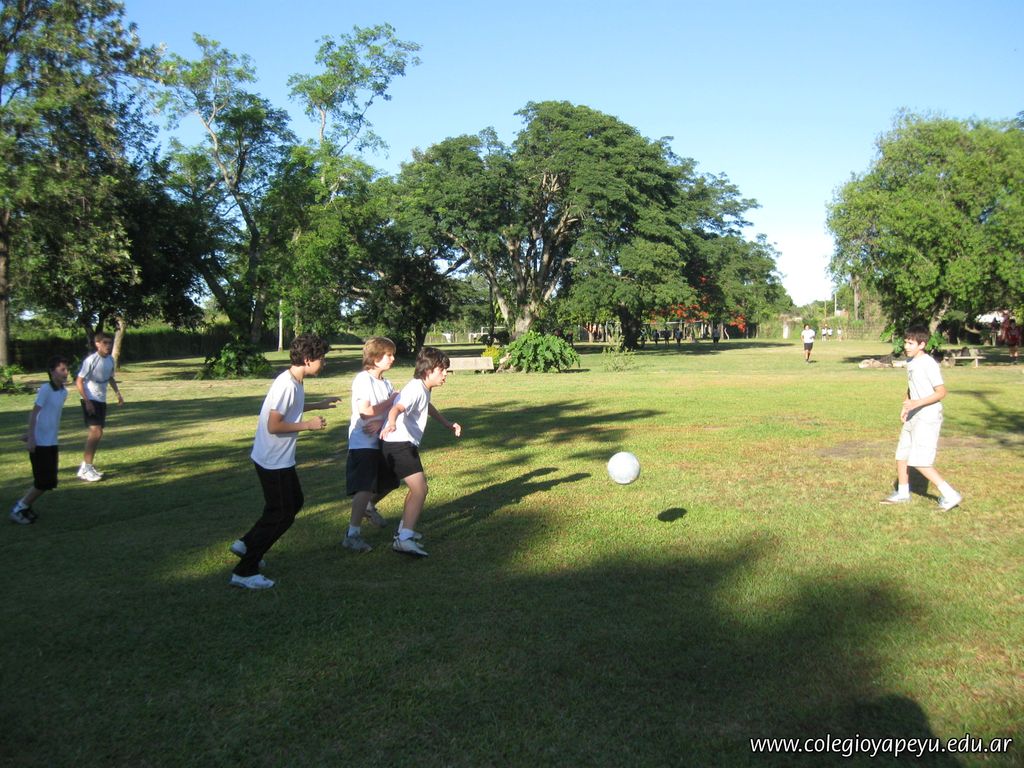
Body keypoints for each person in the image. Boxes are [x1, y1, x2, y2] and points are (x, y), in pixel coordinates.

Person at [229, 334, 339, 589]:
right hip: (272, 460)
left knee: (291, 503)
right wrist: (308, 425)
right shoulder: (287, 384)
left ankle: (246, 543)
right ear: (308, 359)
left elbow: (291, 407)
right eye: (322, 358)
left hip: (279, 458)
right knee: (282, 515)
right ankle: (245, 570)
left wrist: (318, 405)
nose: (324, 363)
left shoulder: (295, 381)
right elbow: (274, 425)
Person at [381, 347, 462, 557]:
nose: (445, 374)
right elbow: (397, 408)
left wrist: (447, 423)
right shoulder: (415, 389)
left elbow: (427, 406)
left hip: (404, 445)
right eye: (442, 370)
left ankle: (403, 531)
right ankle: (404, 539)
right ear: (428, 371)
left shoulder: (423, 388)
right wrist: (391, 423)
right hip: (398, 444)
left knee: (415, 489)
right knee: (420, 490)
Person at [880, 324, 962, 511]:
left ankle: (950, 494)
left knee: (920, 461)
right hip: (913, 414)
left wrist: (917, 403)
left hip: (928, 415)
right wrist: (906, 406)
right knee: (902, 455)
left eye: (911, 343)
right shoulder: (911, 362)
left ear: (922, 344)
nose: (906, 346)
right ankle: (903, 493)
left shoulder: (928, 363)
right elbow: (911, 387)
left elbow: (941, 392)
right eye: (906, 342)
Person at [342, 337, 400, 553]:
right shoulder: (363, 380)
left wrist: (382, 421)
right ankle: (352, 535)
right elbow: (366, 412)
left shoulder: (386, 383)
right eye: (388, 355)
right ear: (375, 358)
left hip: (382, 440)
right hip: (363, 443)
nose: (392, 359)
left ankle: (368, 506)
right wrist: (392, 400)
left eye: (393, 355)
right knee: (365, 487)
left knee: (391, 480)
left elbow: (389, 413)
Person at [11, 356, 70, 524]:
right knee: (43, 481)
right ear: (52, 372)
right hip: (40, 443)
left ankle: (25, 507)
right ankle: (19, 508)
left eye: (67, 369)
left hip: (51, 442)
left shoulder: (64, 392)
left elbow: (49, 416)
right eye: (62, 369)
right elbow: (35, 412)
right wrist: (31, 436)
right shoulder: (45, 389)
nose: (66, 373)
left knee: (49, 481)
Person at [75, 331, 123, 482]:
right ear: (97, 344)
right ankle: (86, 468)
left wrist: (118, 394)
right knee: (96, 432)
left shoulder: (110, 360)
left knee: (98, 433)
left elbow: (110, 378)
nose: (108, 346)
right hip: (90, 399)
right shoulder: (91, 360)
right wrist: (87, 401)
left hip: (101, 400)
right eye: (105, 343)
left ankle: (86, 466)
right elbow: (79, 381)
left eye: (110, 343)